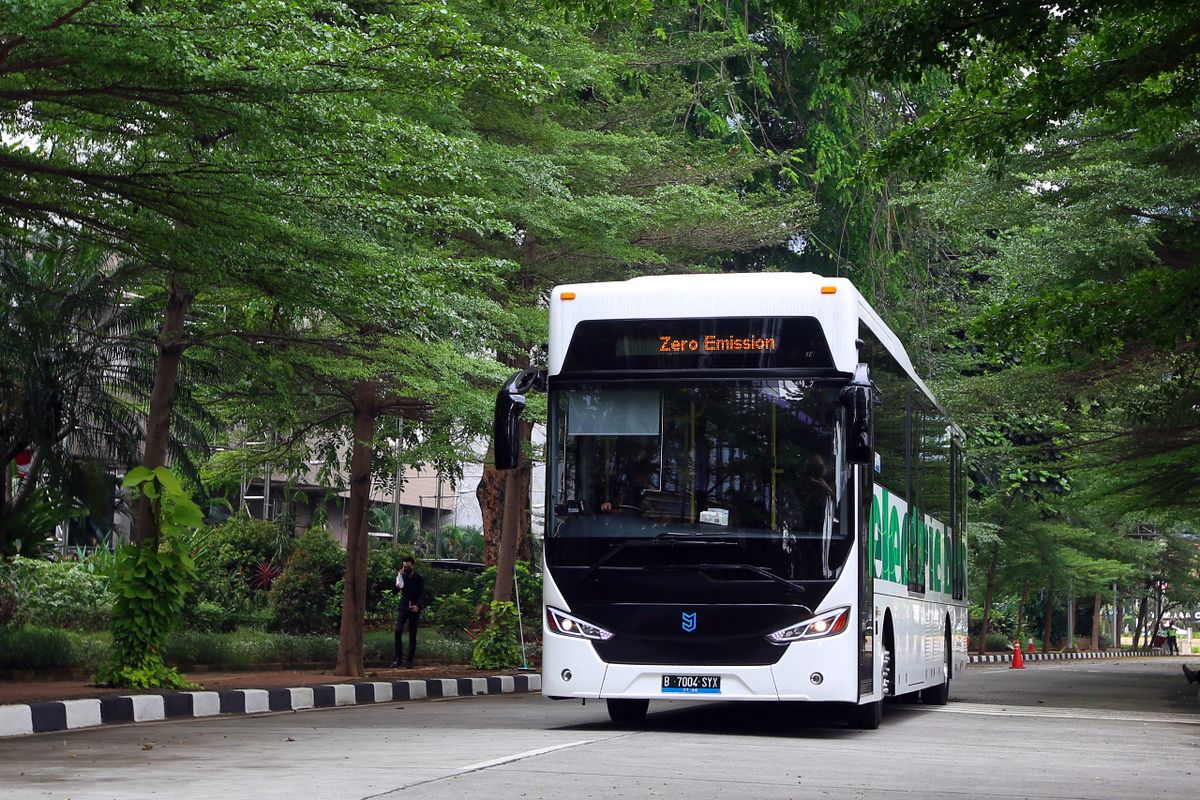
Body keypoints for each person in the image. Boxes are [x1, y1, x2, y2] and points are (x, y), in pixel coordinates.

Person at [392, 556, 426, 669]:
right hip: (404, 607)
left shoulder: (419, 578)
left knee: (412, 634)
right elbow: (395, 591)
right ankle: (398, 658)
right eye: (404, 567)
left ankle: (410, 660)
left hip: (414, 608)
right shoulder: (402, 577)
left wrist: (418, 606)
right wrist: (397, 585)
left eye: (408, 567)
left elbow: (422, 594)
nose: (406, 569)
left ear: (413, 566)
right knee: (398, 631)